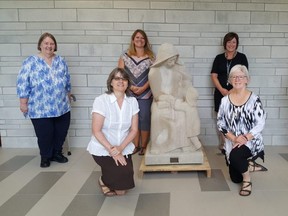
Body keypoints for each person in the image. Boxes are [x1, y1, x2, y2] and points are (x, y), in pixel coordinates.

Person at [16, 32, 71, 168]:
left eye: (52, 43)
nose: (49, 46)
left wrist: (68, 94)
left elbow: (67, 79)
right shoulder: (30, 62)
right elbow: (23, 82)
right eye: (46, 43)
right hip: (39, 107)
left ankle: (57, 153)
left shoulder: (60, 61)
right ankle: (45, 156)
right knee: (45, 134)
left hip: (61, 105)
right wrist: (23, 102)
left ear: (55, 46)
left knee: (61, 131)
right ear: (40, 45)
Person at [87, 68, 139, 196]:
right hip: (103, 147)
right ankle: (103, 180)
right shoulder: (101, 101)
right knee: (119, 186)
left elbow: (134, 130)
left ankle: (109, 176)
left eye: (124, 78)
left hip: (122, 147)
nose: (121, 81)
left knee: (121, 191)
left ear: (128, 83)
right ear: (111, 82)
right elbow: (96, 130)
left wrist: (120, 148)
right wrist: (112, 150)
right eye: (117, 78)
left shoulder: (132, 102)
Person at [217, 64, 267, 196]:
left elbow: (260, 123)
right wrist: (234, 138)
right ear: (230, 80)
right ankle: (248, 165)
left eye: (241, 76)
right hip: (232, 141)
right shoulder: (224, 101)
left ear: (247, 80)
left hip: (250, 140)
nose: (237, 79)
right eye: (234, 76)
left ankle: (247, 179)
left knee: (236, 156)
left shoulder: (254, 100)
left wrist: (245, 138)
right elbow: (220, 123)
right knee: (235, 179)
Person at [149, 43, 202, 154]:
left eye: (174, 60)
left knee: (183, 114)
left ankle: (184, 144)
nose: (173, 63)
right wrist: (168, 99)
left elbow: (185, 85)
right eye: (170, 60)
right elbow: (156, 95)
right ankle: (159, 146)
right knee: (157, 115)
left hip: (174, 100)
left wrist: (189, 93)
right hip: (160, 101)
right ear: (163, 59)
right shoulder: (154, 72)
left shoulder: (176, 70)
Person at [118, 29, 154, 155]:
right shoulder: (125, 57)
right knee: (132, 119)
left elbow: (154, 76)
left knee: (144, 118)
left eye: (142, 38)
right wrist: (131, 87)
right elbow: (120, 75)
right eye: (137, 37)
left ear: (146, 41)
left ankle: (144, 146)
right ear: (133, 40)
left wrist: (144, 87)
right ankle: (135, 146)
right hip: (129, 93)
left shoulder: (151, 57)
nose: (140, 40)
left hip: (146, 93)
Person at [211, 32, 249, 153]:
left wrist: (231, 91)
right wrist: (222, 90)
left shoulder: (242, 57)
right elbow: (213, 75)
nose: (231, 44)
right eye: (229, 42)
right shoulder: (218, 58)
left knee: (235, 118)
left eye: (234, 42)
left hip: (237, 93)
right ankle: (224, 144)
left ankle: (236, 142)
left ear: (237, 43)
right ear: (225, 43)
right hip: (220, 93)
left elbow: (245, 76)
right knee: (221, 117)